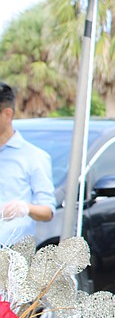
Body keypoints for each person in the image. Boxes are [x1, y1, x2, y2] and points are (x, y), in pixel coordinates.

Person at [0, 81, 56, 246]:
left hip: (11, 256)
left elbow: (48, 211)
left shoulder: (34, 156)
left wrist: (25, 208)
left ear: (7, 114)